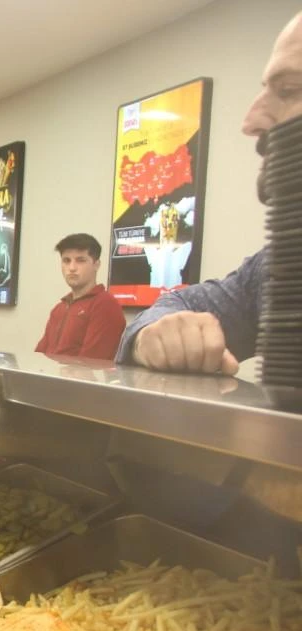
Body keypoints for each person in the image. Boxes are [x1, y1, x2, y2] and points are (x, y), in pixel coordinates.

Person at [116, 11, 302, 374]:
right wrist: (157, 335)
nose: (250, 124)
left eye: (289, 91)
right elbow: (170, 308)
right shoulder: (278, 267)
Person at [35, 233, 126, 360]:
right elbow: (38, 357)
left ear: (96, 265)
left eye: (80, 260)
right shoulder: (58, 309)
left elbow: (91, 364)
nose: (71, 268)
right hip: (48, 378)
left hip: (75, 379)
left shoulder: (105, 304)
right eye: (66, 261)